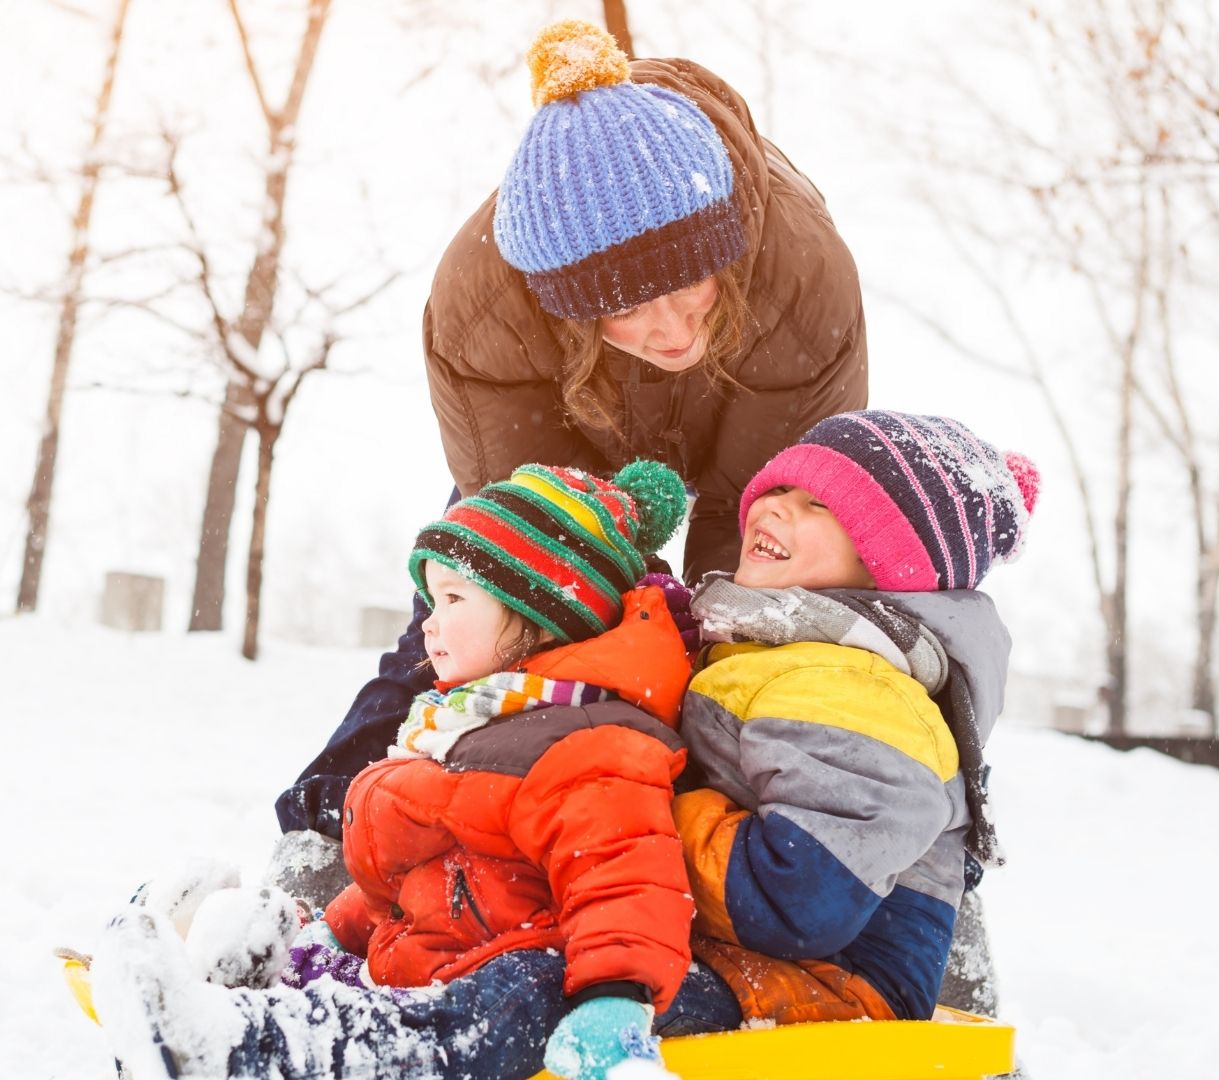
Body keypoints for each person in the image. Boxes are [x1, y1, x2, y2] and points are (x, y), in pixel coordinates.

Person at [271, 17, 867, 887]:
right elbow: (534, 547)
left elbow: (758, 538)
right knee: (483, 614)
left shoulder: (799, 276)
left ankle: (826, 891)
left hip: (754, 439)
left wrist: (703, 655)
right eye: (626, 308)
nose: (668, 331)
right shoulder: (485, 309)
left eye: (686, 285)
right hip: (565, 443)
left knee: (780, 640)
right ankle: (331, 846)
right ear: (571, 305)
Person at [91, 461, 744, 1080]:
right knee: (330, 970)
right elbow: (410, 875)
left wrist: (616, 999)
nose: (429, 626)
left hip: (490, 984)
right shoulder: (474, 723)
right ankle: (221, 985)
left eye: (454, 598)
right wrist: (332, 932)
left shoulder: (591, 743)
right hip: (428, 954)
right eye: (431, 601)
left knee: (497, 1000)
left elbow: (626, 880)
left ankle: (244, 1048)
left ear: (541, 616)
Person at [671, 410, 1039, 1025]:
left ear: (887, 562)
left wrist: (637, 817)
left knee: (531, 999)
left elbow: (801, 898)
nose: (775, 506)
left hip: (834, 989)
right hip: (753, 957)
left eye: (818, 504)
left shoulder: (853, 685)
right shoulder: (775, 654)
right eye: (780, 488)